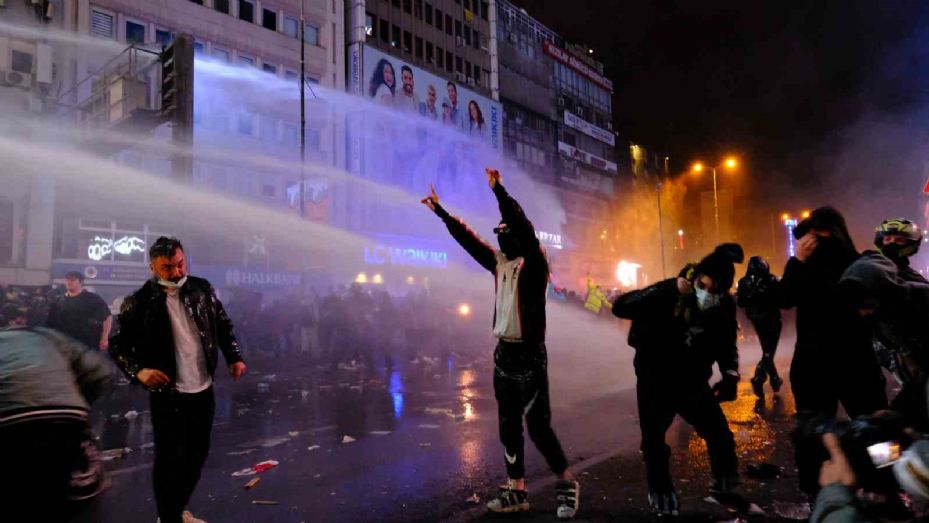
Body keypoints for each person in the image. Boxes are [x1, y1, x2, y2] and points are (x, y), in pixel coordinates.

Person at [421, 168, 579, 520]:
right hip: (503, 354)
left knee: (537, 427)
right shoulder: (498, 263)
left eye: (505, 231)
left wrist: (499, 191)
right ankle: (516, 490)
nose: (502, 237)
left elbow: (522, 225)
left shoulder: (535, 264)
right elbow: (469, 241)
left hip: (531, 356)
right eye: (500, 233)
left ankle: (566, 483)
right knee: (508, 425)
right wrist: (442, 212)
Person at [109, 237, 246, 523]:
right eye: (167, 267)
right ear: (153, 267)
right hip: (168, 393)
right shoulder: (139, 302)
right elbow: (118, 346)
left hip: (203, 388)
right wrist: (139, 372)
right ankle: (169, 517)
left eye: (180, 264)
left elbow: (222, 325)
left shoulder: (202, 289)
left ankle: (175, 510)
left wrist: (234, 356)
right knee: (169, 459)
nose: (176, 272)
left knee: (197, 455)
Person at [612, 244, 744, 516]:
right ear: (696, 277)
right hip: (655, 380)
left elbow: (726, 341)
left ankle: (724, 485)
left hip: (692, 381)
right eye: (703, 286)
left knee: (719, 434)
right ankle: (661, 493)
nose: (707, 294)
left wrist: (730, 373)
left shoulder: (724, 307)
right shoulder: (670, 292)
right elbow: (621, 306)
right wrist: (670, 288)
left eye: (714, 291)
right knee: (654, 443)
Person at [778, 206, 888, 498]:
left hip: (857, 362)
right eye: (811, 236)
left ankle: (885, 487)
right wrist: (797, 261)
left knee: (878, 430)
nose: (816, 241)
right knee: (812, 436)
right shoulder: (805, 265)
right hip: (814, 365)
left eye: (821, 233)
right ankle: (816, 495)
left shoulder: (858, 264)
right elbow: (784, 298)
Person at [0, 326, 114, 521]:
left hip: (9, 429)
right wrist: (76, 405)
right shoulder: (43, 336)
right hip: (65, 423)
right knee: (78, 501)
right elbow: (101, 372)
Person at [839, 218, 929, 431]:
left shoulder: (913, 279)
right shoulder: (873, 264)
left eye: (899, 239)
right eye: (887, 238)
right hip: (872, 365)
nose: (892, 243)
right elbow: (864, 273)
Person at [736, 256, 783, 399]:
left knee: (767, 349)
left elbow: (741, 303)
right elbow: (779, 297)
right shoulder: (771, 279)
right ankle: (759, 377)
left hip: (756, 319)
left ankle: (774, 379)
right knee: (769, 351)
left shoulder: (743, 282)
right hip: (772, 318)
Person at [46, 271, 112, 350]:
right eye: (67, 280)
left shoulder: (92, 298)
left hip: (87, 343)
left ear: (81, 282)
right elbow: (52, 323)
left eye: (72, 280)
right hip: (64, 344)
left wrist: (104, 338)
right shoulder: (58, 301)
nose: (69, 282)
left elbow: (107, 317)